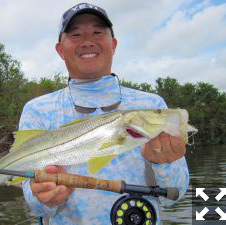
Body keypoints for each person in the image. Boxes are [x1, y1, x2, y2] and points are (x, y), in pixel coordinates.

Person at [19, 3, 189, 225]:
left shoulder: (151, 103)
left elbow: (175, 196)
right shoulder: (37, 109)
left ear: (113, 44)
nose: (87, 41)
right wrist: (43, 198)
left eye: (98, 32)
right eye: (76, 34)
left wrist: (164, 165)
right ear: (60, 50)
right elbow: (34, 203)